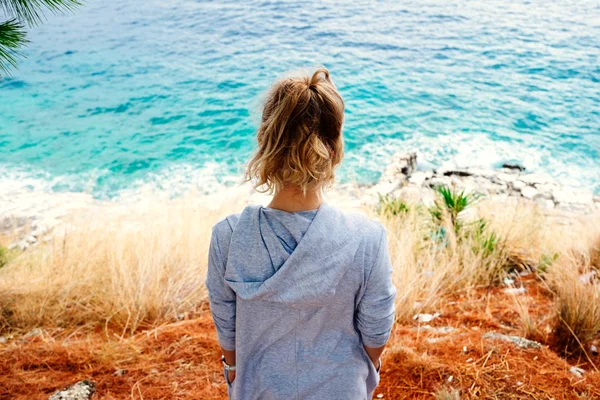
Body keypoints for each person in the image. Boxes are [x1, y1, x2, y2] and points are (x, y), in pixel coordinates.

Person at [206, 67, 396, 400]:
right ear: (334, 150)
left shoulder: (229, 237)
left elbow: (228, 333)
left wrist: (235, 373)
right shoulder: (367, 239)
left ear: (266, 141)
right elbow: (376, 334)